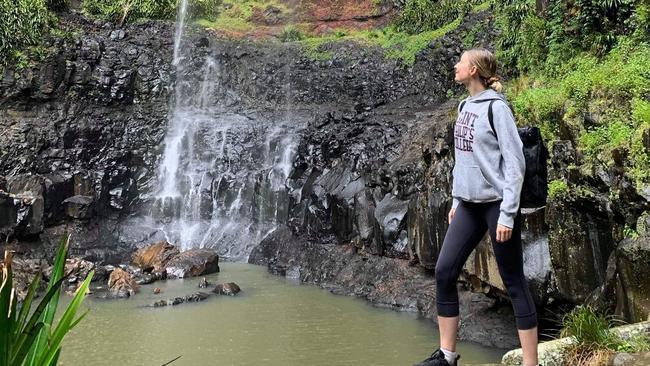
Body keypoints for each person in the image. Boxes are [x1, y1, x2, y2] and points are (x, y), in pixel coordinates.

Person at [414, 48, 539, 366]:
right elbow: (464, 159)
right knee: (444, 271)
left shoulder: (498, 109)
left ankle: (530, 362)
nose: (455, 65)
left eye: (461, 61)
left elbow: (515, 163)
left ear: (473, 70)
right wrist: (457, 198)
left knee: (513, 281)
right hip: (468, 205)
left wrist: (509, 213)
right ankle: (447, 356)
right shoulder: (464, 105)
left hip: (497, 205)